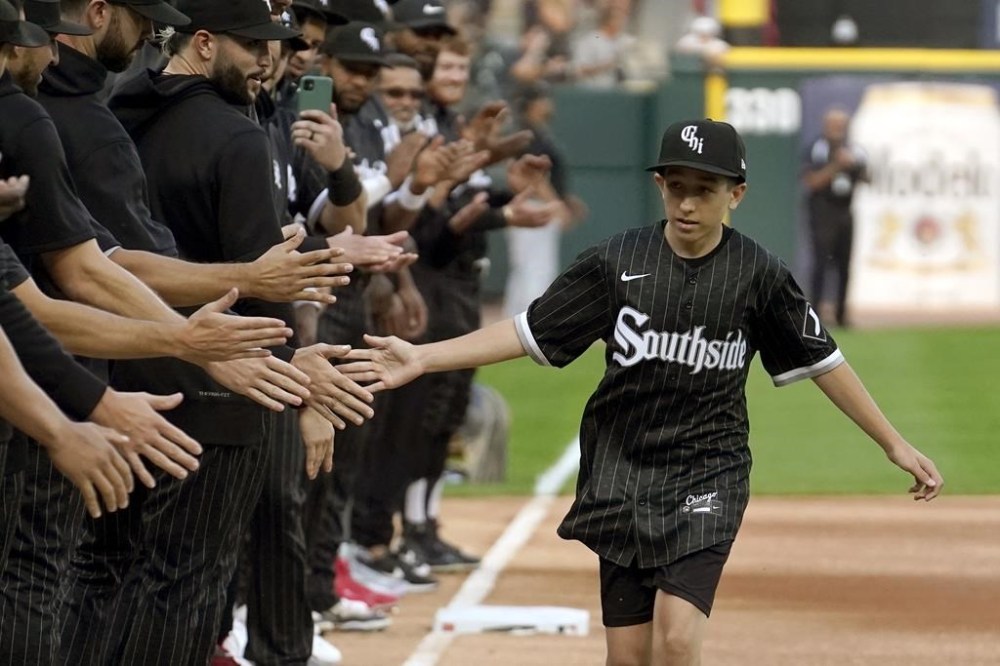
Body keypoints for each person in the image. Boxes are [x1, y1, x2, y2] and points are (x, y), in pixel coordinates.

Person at [342, 118, 943, 666]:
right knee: (629, 657)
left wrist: (893, 443)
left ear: (735, 194)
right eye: (675, 185)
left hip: (709, 469)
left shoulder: (758, 274)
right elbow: (528, 332)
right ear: (659, 184)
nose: (686, 202)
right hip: (619, 470)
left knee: (678, 639)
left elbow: (823, 360)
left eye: (704, 190)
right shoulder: (615, 260)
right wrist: (422, 357)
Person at [803, 106, 869, 328]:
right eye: (834, 125)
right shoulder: (817, 148)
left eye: (841, 125)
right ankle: (815, 316)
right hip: (822, 212)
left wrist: (854, 165)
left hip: (845, 211)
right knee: (821, 263)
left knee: (845, 264)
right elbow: (811, 181)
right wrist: (835, 166)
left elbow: (868, 177)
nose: (838, 130)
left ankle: (842, 315)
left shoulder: (854, 149)